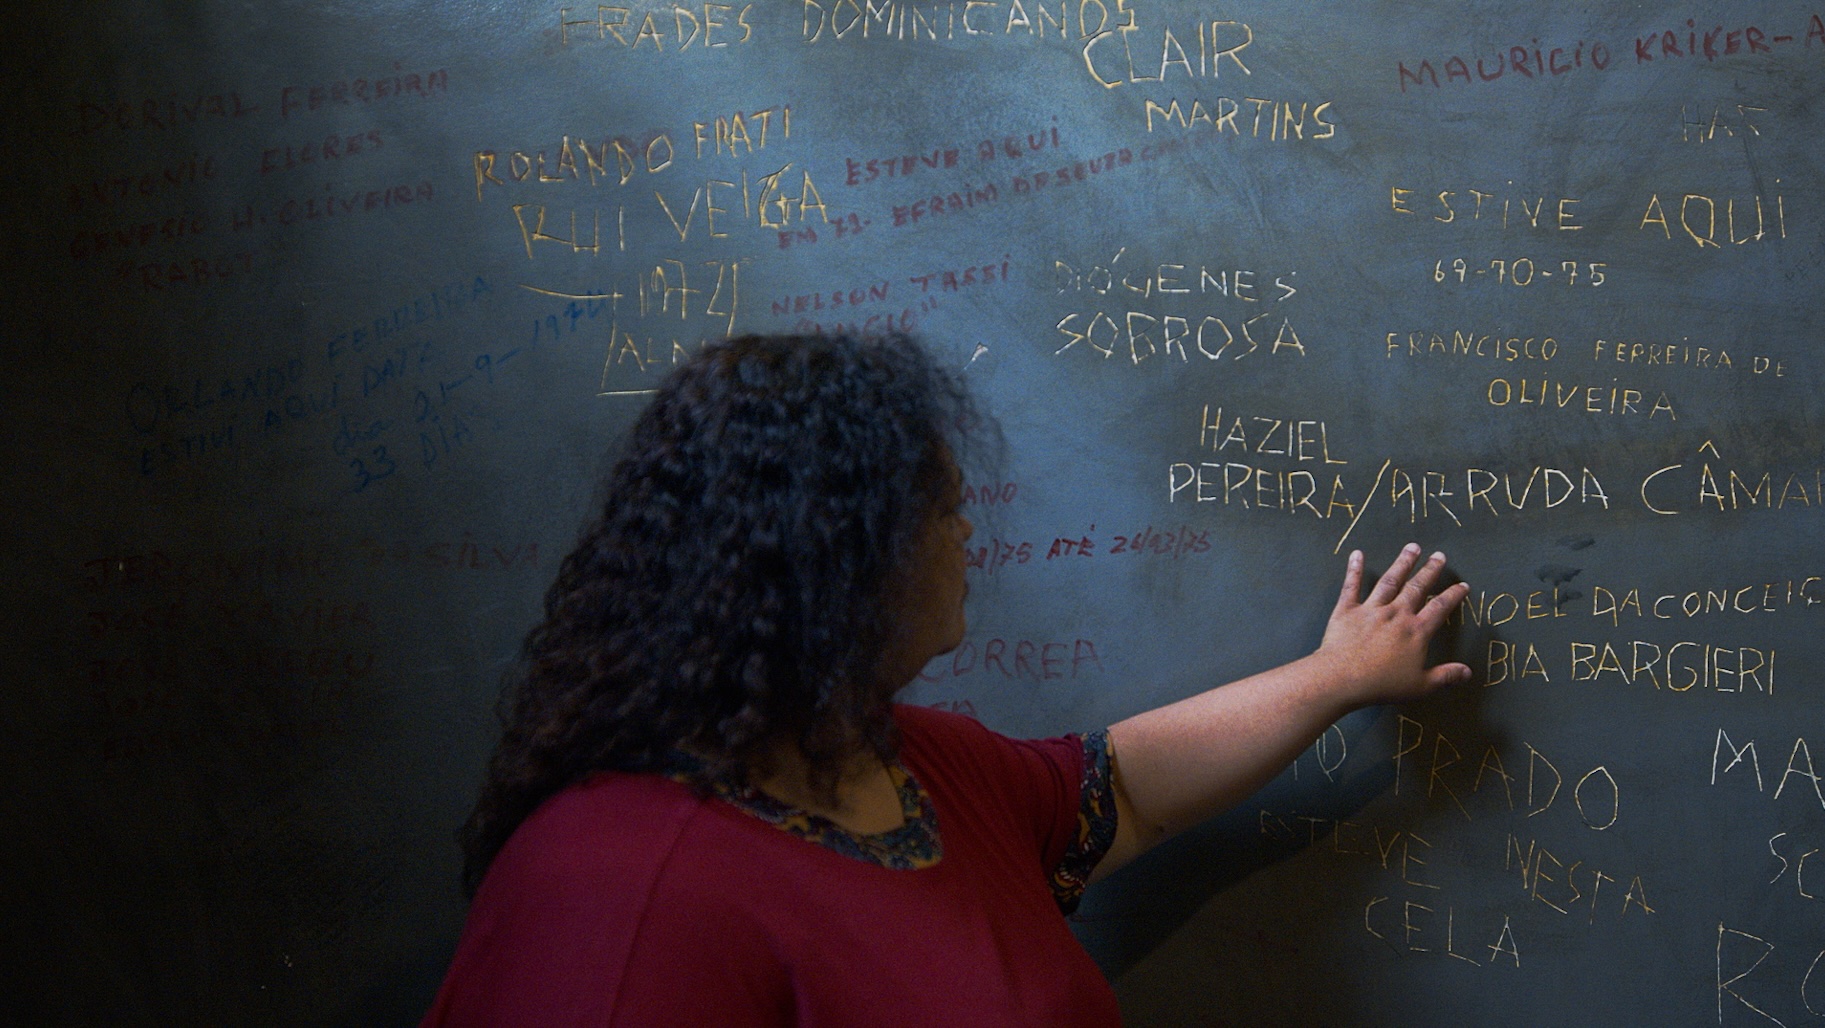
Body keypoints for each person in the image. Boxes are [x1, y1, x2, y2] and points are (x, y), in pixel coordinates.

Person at [422, 332, 1470, 1026]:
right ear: (841, 558)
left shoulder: (909, 766)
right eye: (941, 510)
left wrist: (1336, 675)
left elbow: (1125, 788)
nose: (968, 534)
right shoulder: (617, 885)